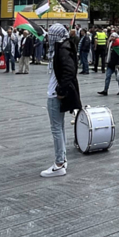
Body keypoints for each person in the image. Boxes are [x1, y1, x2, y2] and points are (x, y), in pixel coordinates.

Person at [41, 24, 82, 177]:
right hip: (56, 92)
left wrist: (60, 91)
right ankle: (62, 160)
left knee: (56, 128)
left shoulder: (62, 49)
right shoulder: (64, 46)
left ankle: (59, 164)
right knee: (59, 127)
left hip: (55, 94)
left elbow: (69, 71)